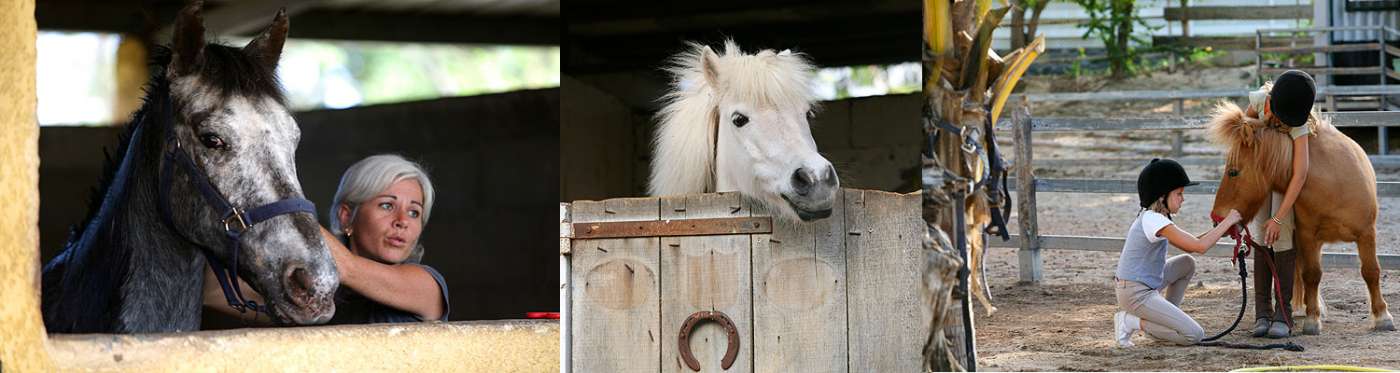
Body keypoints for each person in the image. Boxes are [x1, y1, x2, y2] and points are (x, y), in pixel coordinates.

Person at [204, 154, 449, 325]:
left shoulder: (427, 286)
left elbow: (349, 268)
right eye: (387, 205)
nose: (402, 220)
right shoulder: (305, 289)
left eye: (414, 212)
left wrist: (276, 203)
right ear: (346, 217)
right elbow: (211, 290)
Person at [1114, 159, 1242, 347]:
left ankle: (1162, 321)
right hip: (1135, 293)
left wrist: (1223, 229)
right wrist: (1230, 219)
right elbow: (1199, 246)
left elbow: (1193, 242)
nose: (1183, 198)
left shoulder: (1156, 218)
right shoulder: (1154, 220)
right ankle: (1130, 321)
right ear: (1162, 196)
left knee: (1186, 263)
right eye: (1179, 194)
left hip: (1142, 285)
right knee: (1194, 335)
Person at [1242, 70, 1315, 338]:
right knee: (1260, 235)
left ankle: (1283, 314)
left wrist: (1280, 217)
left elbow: (1300, 173)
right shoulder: (1259, 102)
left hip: (1285, 181)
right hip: (1261, 178)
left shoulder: (1298, 123)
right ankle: (1262, 312)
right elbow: (1242, 137)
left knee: (1281, 235)